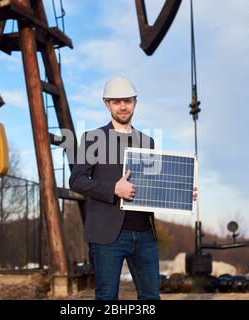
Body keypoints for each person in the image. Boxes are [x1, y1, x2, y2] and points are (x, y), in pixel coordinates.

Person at [69, 76, 160, 300]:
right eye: (116, 101)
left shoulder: (147, 141)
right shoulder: (93, 139)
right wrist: (113, 189)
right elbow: (77, 180)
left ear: (135, 102)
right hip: (107, 234)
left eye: (127, 101)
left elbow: (155, 184)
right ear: (107, 104)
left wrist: (182, 194)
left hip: (144, 233)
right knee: (107, 297)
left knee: (151, 297)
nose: (122, 106)